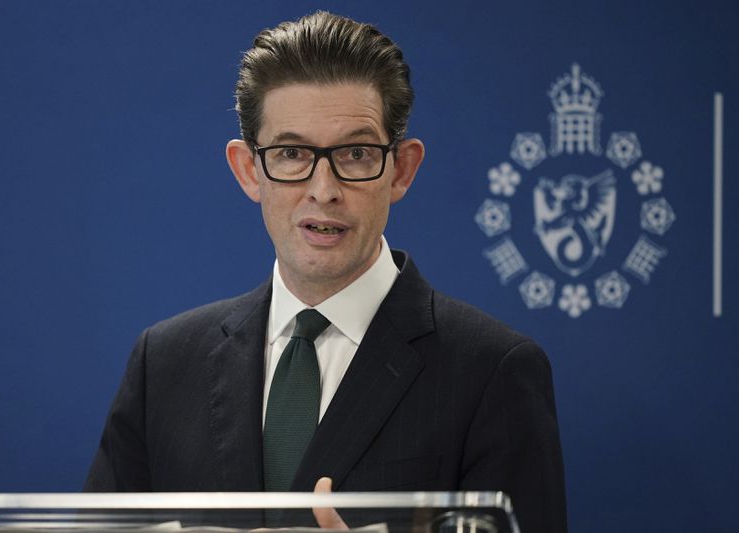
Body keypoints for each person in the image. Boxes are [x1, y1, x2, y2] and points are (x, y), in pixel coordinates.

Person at [84, 11, 567, 533]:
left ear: (401, 169)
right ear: (249, 170)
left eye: (355, 154)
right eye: (291, 153)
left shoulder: (493, 372)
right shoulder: (164, 364)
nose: (323, 189)